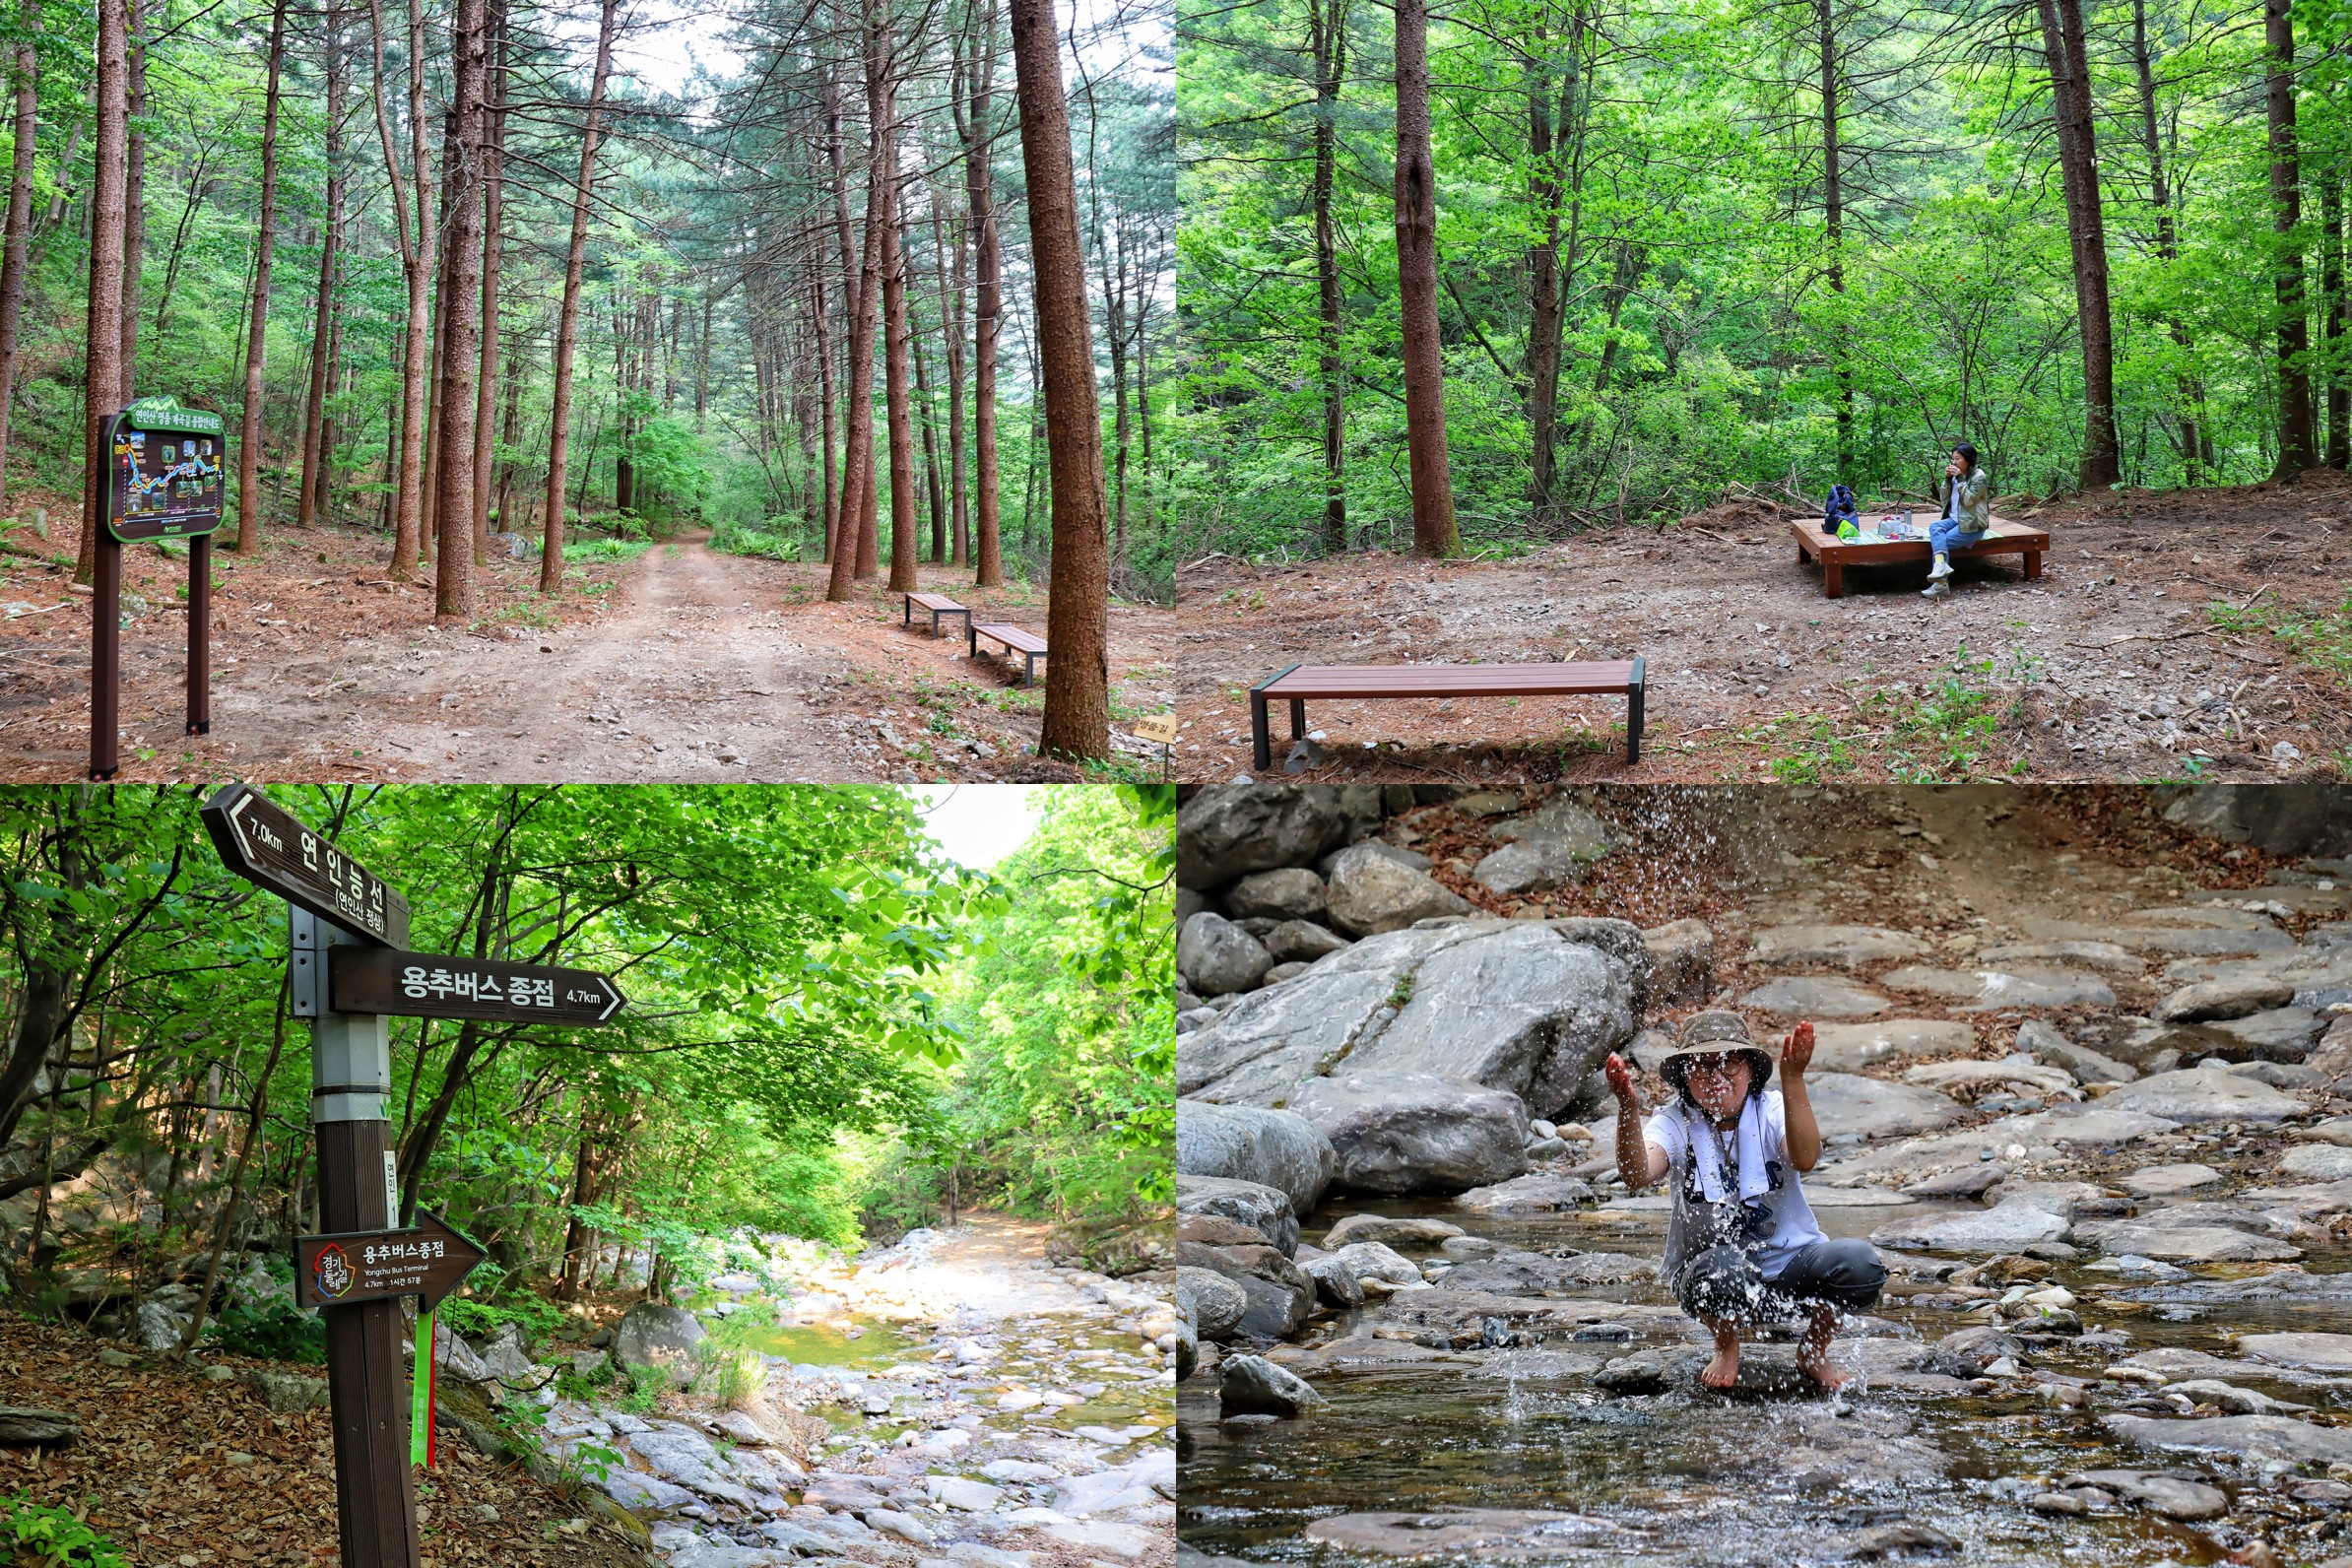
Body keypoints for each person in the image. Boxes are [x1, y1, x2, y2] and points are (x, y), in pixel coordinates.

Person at [1605, 1011, 1887, 1392]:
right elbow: (1637, 1174)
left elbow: (1805, 1157)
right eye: (1702, 1066)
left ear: (1751, 1071)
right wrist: (1626, 1107)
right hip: (1714, 1278)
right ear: (1686, 1078)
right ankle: (1725, 1345)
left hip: (1792, 1270)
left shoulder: (1770, 1109)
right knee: (1720, 1267)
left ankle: (1815, 1349)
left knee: (1859, 1264)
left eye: (1730, 1063)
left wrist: (1794, 1079)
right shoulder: (1674, 1121)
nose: (1716, 1077)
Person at [1922, 442, 1990, 601]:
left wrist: (1959, 478)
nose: (1954, 462)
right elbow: (1944, 499)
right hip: (1953, 519)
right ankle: (1940, 566)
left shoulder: (1979, 476)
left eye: (1958, 458)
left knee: (1941, 542)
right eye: (1953, 458)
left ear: (1968, 459)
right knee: (1935, 527)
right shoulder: (1954, 476)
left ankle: (1941, 585)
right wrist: (1947, 480)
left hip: (1972, 524)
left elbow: (1969, 500)